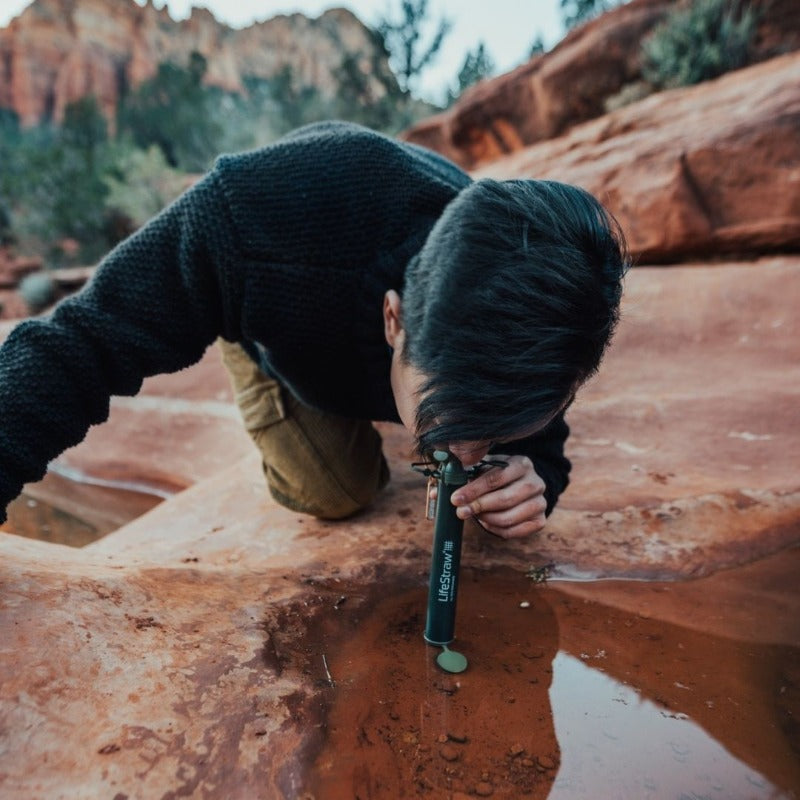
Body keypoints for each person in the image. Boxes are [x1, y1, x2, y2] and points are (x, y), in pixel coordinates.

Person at [0, 121, 629, 537]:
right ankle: (245, 344)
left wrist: (535, 474)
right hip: (281, 307)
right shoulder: (249, 218)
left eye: (489, 431)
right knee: (336, 491)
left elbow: (544, 425)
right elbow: (75, 344)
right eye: (454, 423)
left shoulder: (527, 302)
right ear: (395, 318)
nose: (465, 460)